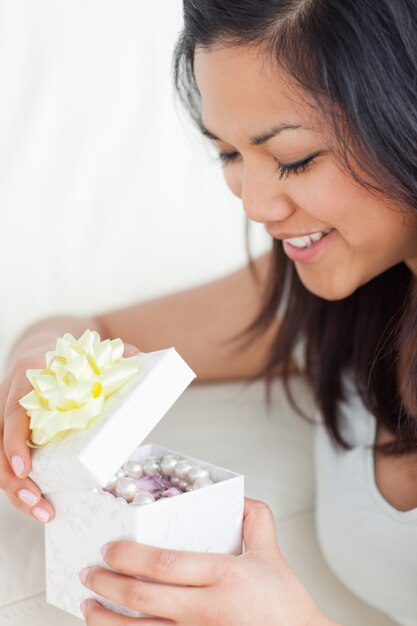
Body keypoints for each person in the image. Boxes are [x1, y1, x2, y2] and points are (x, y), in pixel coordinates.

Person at [1, 0, 417, 624]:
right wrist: (42, 373)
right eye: (228, 154)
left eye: (294, 158)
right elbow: (95, 328)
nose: (253, 204)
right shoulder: (335, 288)